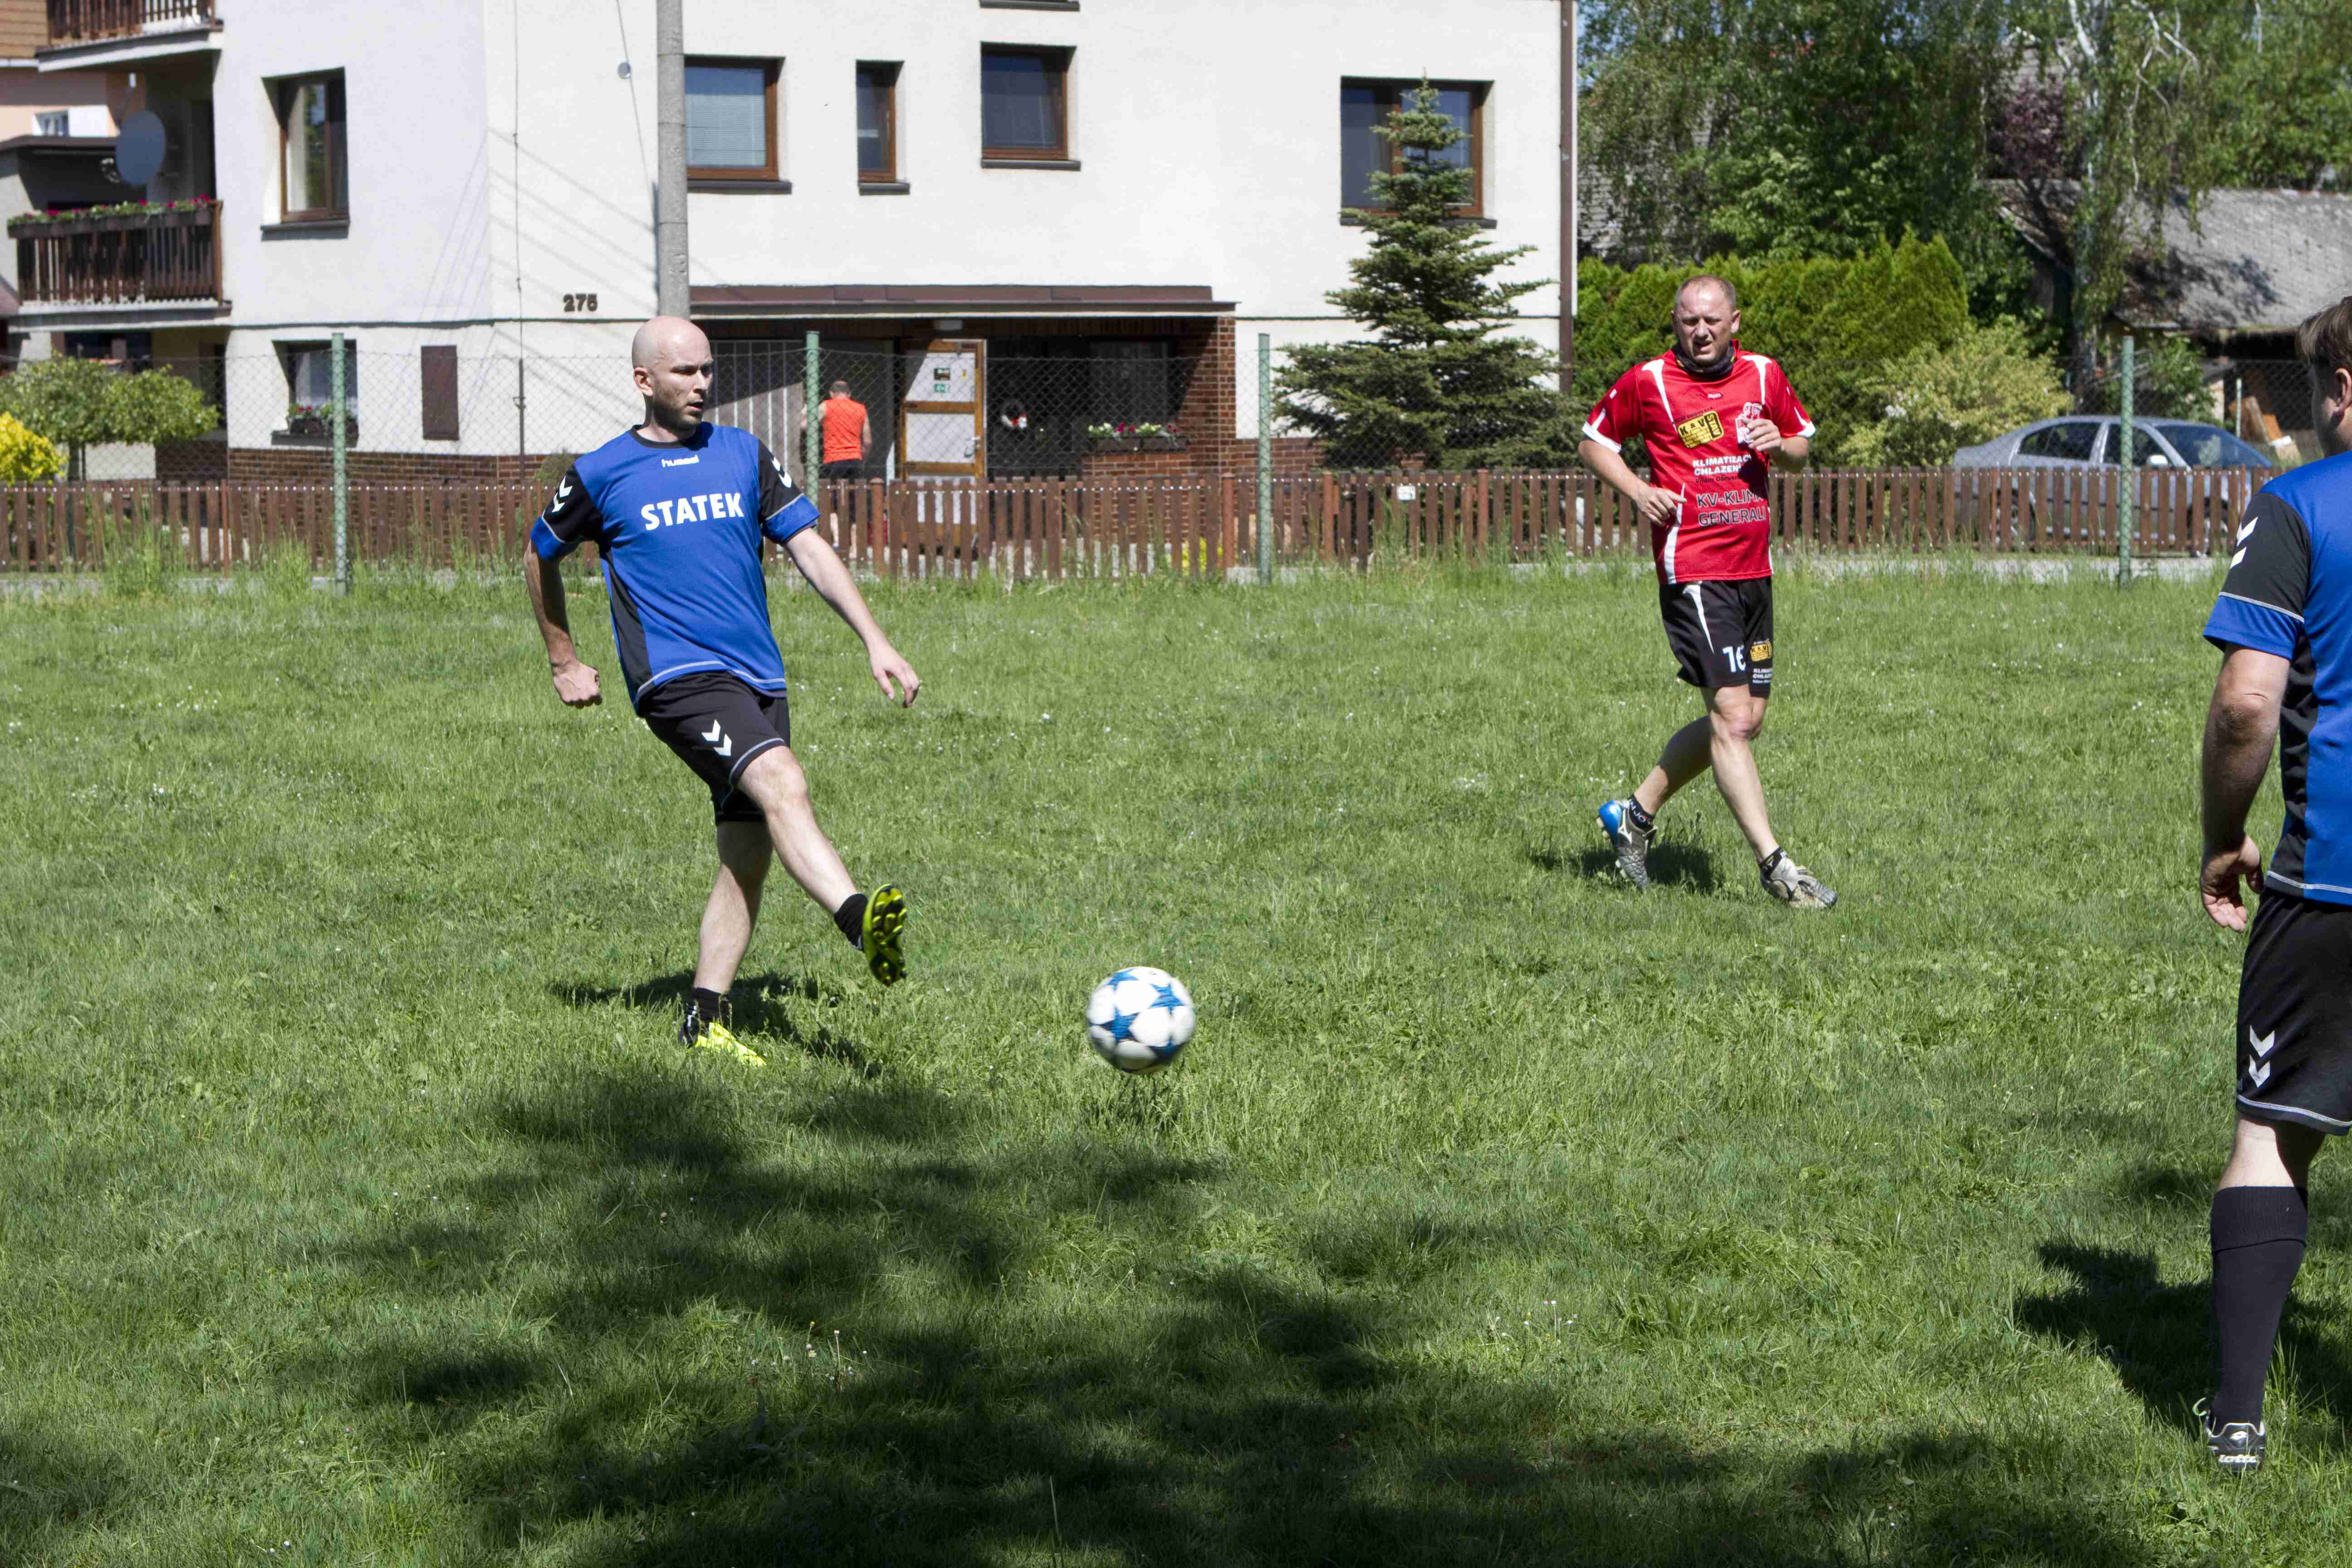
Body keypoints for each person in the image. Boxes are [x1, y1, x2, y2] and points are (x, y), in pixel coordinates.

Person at [524, 316, 921, 1067]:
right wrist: (562, 658)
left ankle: (702, 1020)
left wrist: (874, 637)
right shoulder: (603, 471)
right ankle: (856, 918)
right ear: (644, 381)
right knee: (781, 780)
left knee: (747, 852)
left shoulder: (743, 454)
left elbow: (807, 544)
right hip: (676, 679)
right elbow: (538, 554)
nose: (701, 385)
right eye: (683, 373)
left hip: (757, 675)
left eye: (707, 371)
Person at [2194, 293, 2352, 1474]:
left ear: (2344, 390)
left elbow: (2249, 702)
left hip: (2327, 882)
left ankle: (2239, 1423)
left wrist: (2222, 832)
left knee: (2271, 1137)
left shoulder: (2300, 507)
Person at [1580, 274, 1836, 907]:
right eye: (1689, 321)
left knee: (1745, 721)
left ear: (1734, 322)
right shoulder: (1650, 381)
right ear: (1675, 323)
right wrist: (1639, 492)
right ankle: (1777, 868)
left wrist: (1784, 445)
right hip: (1694, 568)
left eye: (1712, 321)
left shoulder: (1764, 374)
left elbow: (1803, 445)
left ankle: (1633, 816)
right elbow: (1594, 442)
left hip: (1754, 571)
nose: (1700, 332)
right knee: (1730, 721)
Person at [818, 379, 870, 483]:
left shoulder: (825, 406)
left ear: (831, 394)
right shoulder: (861, 409)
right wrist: (862, 461)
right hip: (855, 459)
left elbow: (806, 426)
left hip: (833, 459)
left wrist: (805, 412)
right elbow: (868, 442)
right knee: (854, 496)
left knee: (833, 496)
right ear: (849, 394)